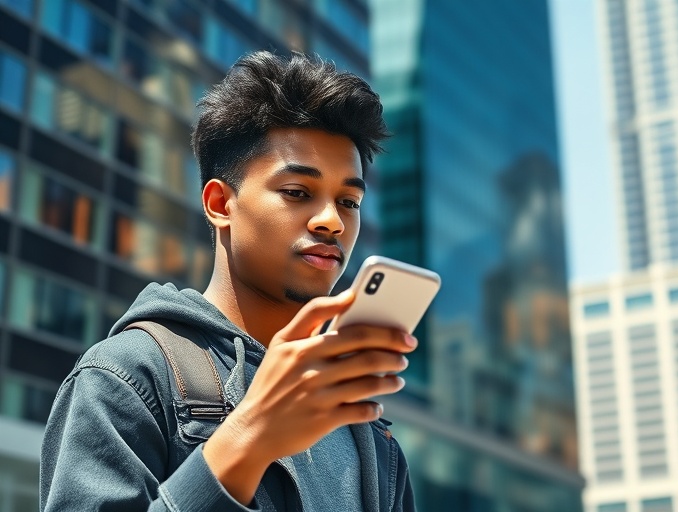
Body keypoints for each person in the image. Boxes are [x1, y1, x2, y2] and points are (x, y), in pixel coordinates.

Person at [40, 51, 417, 511]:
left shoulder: (368, 431)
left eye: (349, 202)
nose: (332, 221)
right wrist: (248, 437)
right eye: (298, 192)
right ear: (220, 203)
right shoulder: (126, 377)